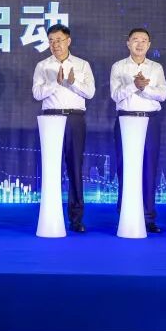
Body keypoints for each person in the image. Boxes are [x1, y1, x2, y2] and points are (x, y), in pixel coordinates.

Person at [32, 24, 95, 232]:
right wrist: (56, 83)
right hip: (51, 119)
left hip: (75, 118)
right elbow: (37, 94)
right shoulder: (42, 65)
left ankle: (76, 218)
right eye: (51, 41)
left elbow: (90, 93)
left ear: (68, 41)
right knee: (52, 169)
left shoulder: (82, 65)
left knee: (75, 167)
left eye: (58, 40)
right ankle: (52, 213)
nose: (55, 45)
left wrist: (72, 83)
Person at [110, 28, 166, 233]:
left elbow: (162, 95)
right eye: (135, 40)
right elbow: (116, 95)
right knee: (125, 168)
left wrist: (144, 88)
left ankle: (148, 217)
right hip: (126, 120)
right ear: (128, 43)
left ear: (149, 45)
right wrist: (134, 85)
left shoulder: (156, 68)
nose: (140, 44)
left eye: (144, 40)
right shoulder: (118, 67)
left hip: (149, 121)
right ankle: (125, 214)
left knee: (149, 168)